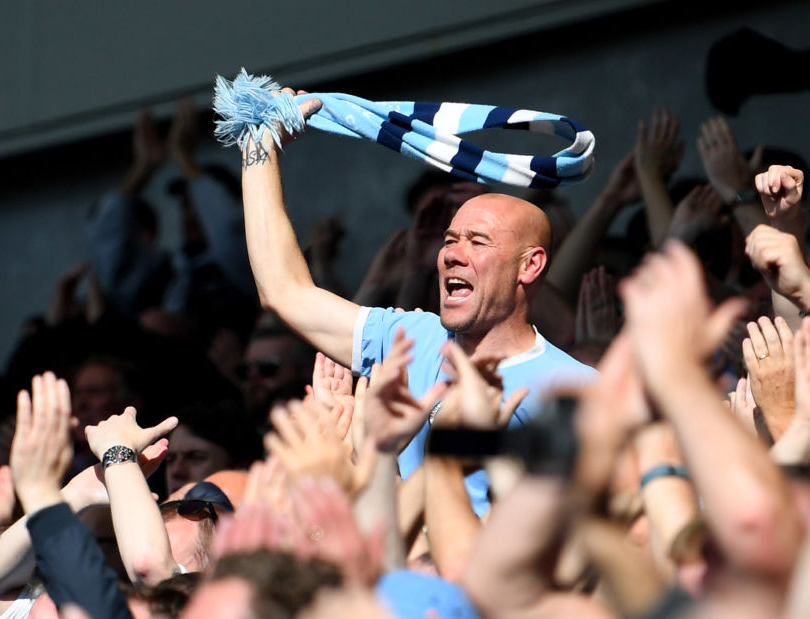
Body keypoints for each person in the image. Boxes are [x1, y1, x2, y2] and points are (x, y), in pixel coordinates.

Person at [235, 89, 594, 511]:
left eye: (478, 242)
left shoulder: (574, 391)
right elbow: (284, 292)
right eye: (450, 240)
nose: (452, 254)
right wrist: (259, 146)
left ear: (529, 266)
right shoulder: (409, 338)